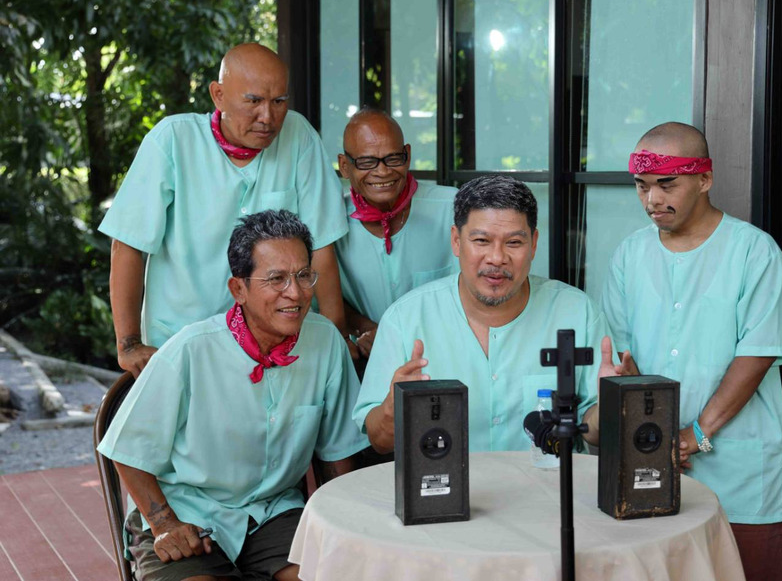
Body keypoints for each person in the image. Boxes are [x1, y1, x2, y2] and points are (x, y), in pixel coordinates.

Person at [98, 209, 368, 581]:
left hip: (273, 512)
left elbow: (337, 451)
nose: (295, 292)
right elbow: (128, 450)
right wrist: (164, 524)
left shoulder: (325, 343)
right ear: (238, 289)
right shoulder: (191, 349)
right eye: (276, 278)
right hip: (187, 511)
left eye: (304, 275)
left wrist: (343, 528)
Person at [601, 122, 782, 581]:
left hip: (740, 477)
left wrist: (697, 434)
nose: (652, 200)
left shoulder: (754, 251)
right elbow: (623, 355)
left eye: (667, 184)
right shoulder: (629, 255)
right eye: (642, 185)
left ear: (704, 179)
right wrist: (652, 433)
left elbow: (758, 354)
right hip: (652, 464)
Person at [99, 43, 348, 377]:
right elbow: (128, 244)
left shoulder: (299, 136)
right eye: (254, 101)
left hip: (279, 344)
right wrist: (128, 344)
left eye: (278, 101)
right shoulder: (173, 140)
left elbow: (322, 247)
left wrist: (337, 341)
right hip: (180, 344)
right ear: (218, 95)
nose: (268, 117)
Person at [353, 175, 633, 453]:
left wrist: (612, 406)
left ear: (534, 243)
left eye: (514, 243)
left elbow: (592, 430)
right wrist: (391, 410)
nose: (497, 258)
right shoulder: (406, 319)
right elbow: (379, 440)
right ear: (456, 241)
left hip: (549, 482)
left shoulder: (578, 313)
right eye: (481, 240)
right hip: (444, 482)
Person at [335, 108, 457, 360]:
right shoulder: (331, 221)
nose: (382, 171)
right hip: (364, 361)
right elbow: (320, 294)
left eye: (393, 158)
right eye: (366, 162)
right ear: (345, 166)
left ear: (408, 155)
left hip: (444, 355)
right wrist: (365, 328)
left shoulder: (453, 209)